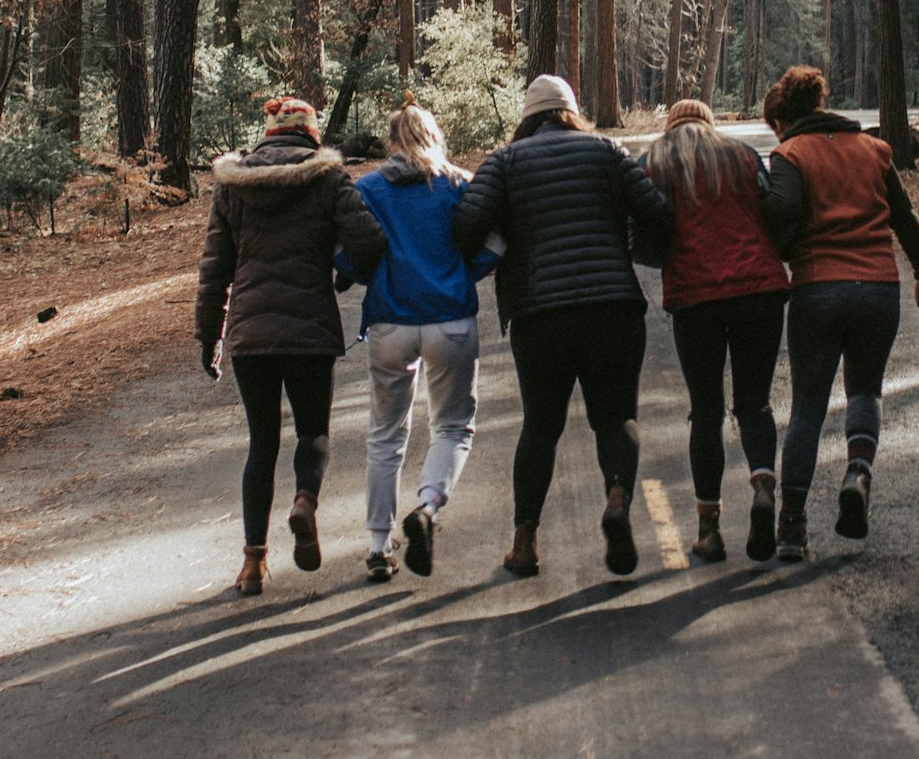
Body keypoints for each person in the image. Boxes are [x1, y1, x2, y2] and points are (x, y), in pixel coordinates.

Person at [454, 73, 673, 580]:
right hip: (613, 306)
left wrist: (505, 232)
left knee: (541, 426)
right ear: (572, 111)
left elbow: (466, 227)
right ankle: (617, 496)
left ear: (528, 116)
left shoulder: (506, 162)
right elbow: (658, 214)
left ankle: (525, 541)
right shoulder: (607, 151)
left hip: (540, 313)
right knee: (616, 418)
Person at [196, 93, 386, 594]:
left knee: (262, 443)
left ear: (270, 133)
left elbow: (214, 269)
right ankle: (304, 500)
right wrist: (344, 273)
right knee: (311, 433)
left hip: (251, 334)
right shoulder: (326, 178)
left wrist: (208, 337)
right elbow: (368, 241)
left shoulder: (233, 186)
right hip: (309, 328)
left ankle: (253, 562)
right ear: (311, 133)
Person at [759, 64, 919, 556]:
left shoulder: (790, 153)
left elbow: (782, 212)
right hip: (879, 288)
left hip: (818, 289)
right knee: (865, 390)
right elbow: (904, 214)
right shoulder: (874, 150)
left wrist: (774, 245)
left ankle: (792, 525)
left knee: (808, 410)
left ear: (785, 120)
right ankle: (858, 472)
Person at [342, 103, 497, 585]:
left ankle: (376, 543)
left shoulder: (367, 189)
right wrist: (461, 277)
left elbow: (347, 254)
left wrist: (371, 278)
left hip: (390, 321)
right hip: (450, 319)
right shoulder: (459, 184)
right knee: (453, 427)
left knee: (386, 433)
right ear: (435, 137)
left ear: (391, 142)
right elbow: (495, 245)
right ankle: (427, 507)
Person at [644, 98, 789, 564]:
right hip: (759, 289)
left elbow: (644, 226)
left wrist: (664, 257)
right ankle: (764, 488)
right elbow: (772, 209)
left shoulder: (655, 161)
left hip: (695, 296)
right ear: (708, 124)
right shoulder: (743, 154)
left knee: (705, 412)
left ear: (671, 125)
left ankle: (709, 531)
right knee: (754, 403)